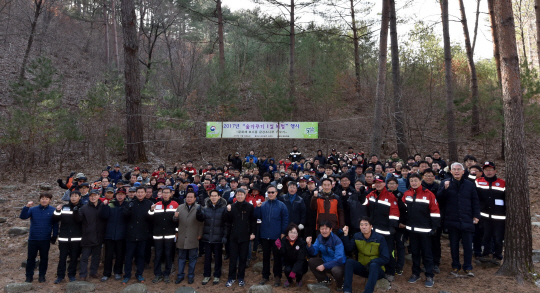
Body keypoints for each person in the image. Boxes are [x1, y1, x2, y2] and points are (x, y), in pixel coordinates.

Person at [437, 162, 480, 277]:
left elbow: (475, 201)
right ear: (450, 171)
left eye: (458, 169)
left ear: (463, 171)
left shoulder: (470, 185)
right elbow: (439, 200)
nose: (456, 171)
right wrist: (444, 189)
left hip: (467, 218)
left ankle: (468, 267)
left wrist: (476, 215)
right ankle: (455, 266)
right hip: (452, 219)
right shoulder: (444, 183)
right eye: (454, 169)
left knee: (467, 246)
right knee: (454, 245)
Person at [403, 173, 440, 287]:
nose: (413, 183)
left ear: (420, 181)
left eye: (415, 180)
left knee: (427, 253)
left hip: (425, 230)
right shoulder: (407, 194)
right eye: (411, 181)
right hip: (412, 230)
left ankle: (429, 275)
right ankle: (415, 273)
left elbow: (435, 211)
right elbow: (403, 211)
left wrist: (434, 228)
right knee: (414, 253)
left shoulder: (428, 194)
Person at [341, 217, 389, 293]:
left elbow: (385, 258)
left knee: (373, 265)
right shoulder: (357, 236)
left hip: (376, 271)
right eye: (361, 225)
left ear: (371, 226)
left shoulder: (380, 238)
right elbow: (349, 248)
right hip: (363, 268)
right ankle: (347, 290)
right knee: (349, 262)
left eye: (366, 225)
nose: (363, 227)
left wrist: (372, 262)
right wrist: (346, 234)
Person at [366, 174, 400, 280]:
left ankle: (390, 271)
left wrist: (392, 227)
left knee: (388, 251)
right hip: (374, 229)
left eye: (380, 182)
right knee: (375, 250)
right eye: (376, 183)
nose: (378, 184)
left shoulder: (390, 196)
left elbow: (394, 211)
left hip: (386, 230)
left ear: (384, 184)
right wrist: (361, 194)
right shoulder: (371, 194)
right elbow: (364, 204)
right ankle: (377, 270)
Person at [254, 185, 289, 287]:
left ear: (276, 193)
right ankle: (265, 276)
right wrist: (257, 207)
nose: (271, 194)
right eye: (269, 192)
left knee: (277, 257)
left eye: (272, 192)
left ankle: (277, 276)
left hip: (277, 236)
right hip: (265, 236)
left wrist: (283, 232)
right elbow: (257, 216)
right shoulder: (263, 205)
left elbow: (285, 220)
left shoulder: (281, 205)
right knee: (265, 257)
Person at [20, 193, 59, 283]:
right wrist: (26, 207)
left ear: (50, 200)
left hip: (45, 239)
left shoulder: (53, 210)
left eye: (46, 198)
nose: (44, 200)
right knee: (30, 259)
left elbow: (55, 224)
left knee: (44, 258)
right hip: (33, 238)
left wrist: (55, 235)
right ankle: (29, 276)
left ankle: (42, 276)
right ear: (39, 200)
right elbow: (23, 217)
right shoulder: (33, 209)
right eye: (42, 198)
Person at [225, 188, 256, 287]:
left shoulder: (250, 207)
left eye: (241, 194)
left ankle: (241, 278)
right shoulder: (232, 207)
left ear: (245, 195)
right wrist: (228, 212)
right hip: (233, 236)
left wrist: (252, 232)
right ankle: (231, 278)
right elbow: (228, 221)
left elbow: (253, 221)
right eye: (238, 194)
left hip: (245, 236)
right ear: (235, 196)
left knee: (243, 259)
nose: (239, 196)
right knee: (233, 259)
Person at [476, 161, 506, 265]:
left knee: (498, 238)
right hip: (484, 216)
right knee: (485, 236)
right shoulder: (478, 181)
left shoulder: (502, 183)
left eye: (491, 170)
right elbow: (475, 198)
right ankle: (486, 255)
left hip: (499, 217)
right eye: (486, 170)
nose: (489, 172)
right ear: (483, 171)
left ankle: (497, 256)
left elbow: (507, 199)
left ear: (495, 171)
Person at [197, 189, 228, 286]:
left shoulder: (223, 209)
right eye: (212, 196)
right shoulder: (205, 208)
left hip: (218, 238)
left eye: (216, 195)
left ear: (219, 197)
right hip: (207, 237)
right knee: (207, 258)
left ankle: (217, 275)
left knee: (218, 257)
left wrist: (225, 236)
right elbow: (201, 219)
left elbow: (226, 224)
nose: (214, 197)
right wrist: (198, 213)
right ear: (209, 197)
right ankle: (207, 275)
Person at [122, 186, 153, 284]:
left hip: (143, 234)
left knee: (140, 256)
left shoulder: (149, 204)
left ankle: (139, 274)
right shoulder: (130, 203)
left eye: (142, 192)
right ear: (135, 193)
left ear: (145, 193)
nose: (140, 194)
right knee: (129, 256)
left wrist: (152, 211)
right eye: (138, 192)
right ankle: (127, 275)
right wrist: (129, 210)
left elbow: (151, 219)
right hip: (131, 234)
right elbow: (125, 216)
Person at [148, 186, 179, 284]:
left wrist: (176, 232)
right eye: (163, 192)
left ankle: (166, 274)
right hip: (158, 235)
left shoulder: (175, 204)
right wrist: (151, 210)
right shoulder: (156, 204)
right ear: (160, 194)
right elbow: (150, 219)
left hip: (170, 234)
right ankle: (157, 274)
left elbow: (178, 220)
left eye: (167, 192)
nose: (165, 194)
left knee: (168, 255)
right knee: (158, 255)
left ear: (170, 194)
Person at [173, 191, 204, 285]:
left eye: (191, 197)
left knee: (192, 258)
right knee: (181, 257)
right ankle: (180, 275)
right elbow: (175, 221)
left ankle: (191, 275)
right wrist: (176, 230)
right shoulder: (180, 207)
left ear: (195, 198)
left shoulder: (199, 208)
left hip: (193, 236)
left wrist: (200, 234)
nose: (189, 198)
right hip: (182, 236)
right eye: (187, 197)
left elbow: (201, 223)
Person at [53, 190, 83, 283]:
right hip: (64, 237)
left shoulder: (82, 207)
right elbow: (55, 219)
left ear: (80, 197)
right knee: (62, 257)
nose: (73, 197)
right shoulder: (64, 207)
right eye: (72, 196)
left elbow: (80, 221)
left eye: (76, 196)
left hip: (76, 238)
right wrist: (57, 211)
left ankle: (72, 275)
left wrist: (76, 211)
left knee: (74, 257)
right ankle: (60, 276)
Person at [306, 221, 346, 291]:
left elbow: (339, 259)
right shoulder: (319, 238)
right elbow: (314, 252)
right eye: (322, 229)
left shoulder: (337, 240)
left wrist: (324, 266)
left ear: (330, 229)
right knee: (312, 261)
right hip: (325, 261)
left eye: (326, 228)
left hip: (337, 264)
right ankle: (325, 279)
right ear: (319, 230)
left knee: (336, 270)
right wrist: (309, 245)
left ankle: (340, 284)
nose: (324, 231)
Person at [99, 188, 128, 282]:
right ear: (116, 195)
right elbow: (103, 216)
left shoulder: (127, 205)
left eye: (122, 194)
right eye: (118, 194)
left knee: (120, 255)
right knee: (108, 255)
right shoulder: (110, 204)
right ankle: (106, 273)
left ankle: (117, 272)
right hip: (109, 234)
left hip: (121, 235)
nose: (120, 196)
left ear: (125, 195)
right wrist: (104, 206)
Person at [77, 189, 107, 281]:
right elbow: (78, 221)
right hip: (87, 236)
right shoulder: (84, 208)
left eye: (95, 195)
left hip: (99, 236)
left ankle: (93, 272)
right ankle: (83, 274)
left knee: (96, 256)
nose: (93, 197)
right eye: (91, 196)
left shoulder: (103, 206)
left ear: (99, 196)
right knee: (85, 257)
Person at [276, 224, 308, 288]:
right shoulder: (284, 240)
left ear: (298, 234)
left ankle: (299, 280)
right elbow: (282, 254)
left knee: (299, 271)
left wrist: (293, 271)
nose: (293, 234)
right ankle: (289, 280)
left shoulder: (301, 242)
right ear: (287, 233)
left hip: (300, 263)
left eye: (295, 233)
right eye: (291, 232)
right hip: (289, 262)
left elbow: (301, 259)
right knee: (287, 270)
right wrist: (279, 248)